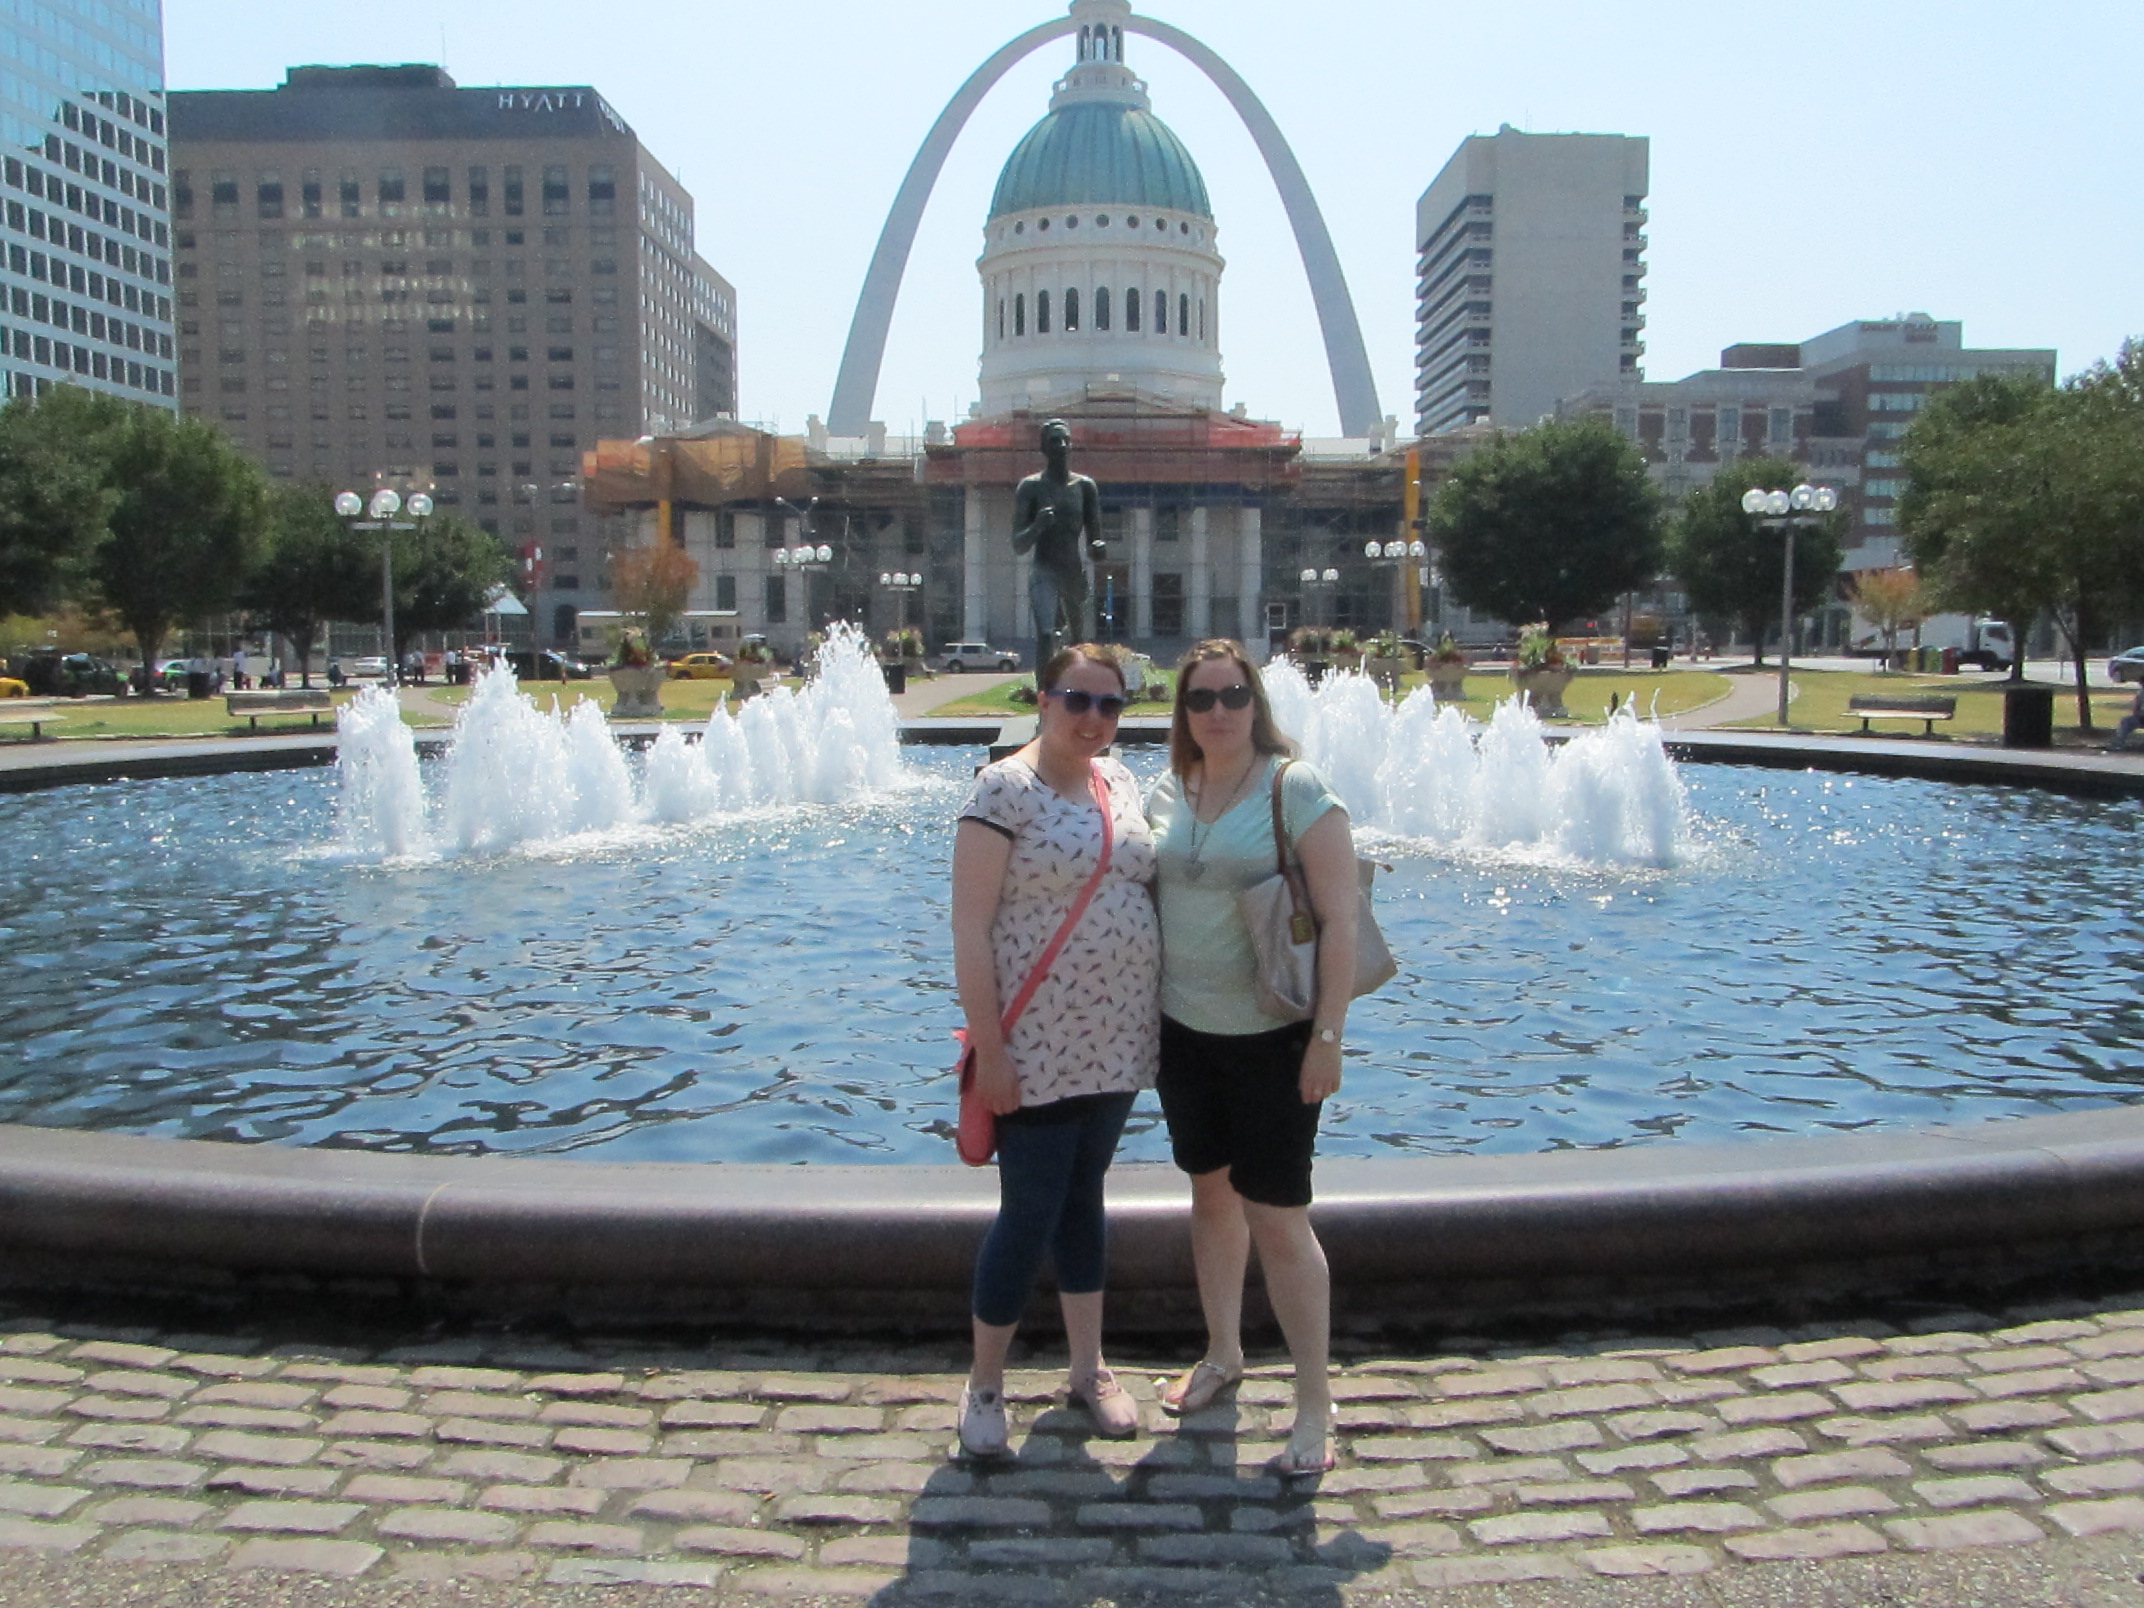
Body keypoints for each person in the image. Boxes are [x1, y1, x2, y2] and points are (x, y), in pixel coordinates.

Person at [1145, 638, 1361, 1479]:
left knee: (1278, 1215)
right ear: (1183, 712)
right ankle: (1224, 1354)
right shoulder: (1169, 789)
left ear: (1255, 703)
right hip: (1183, 1034)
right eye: (1200, 698)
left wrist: (1328, 1038)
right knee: (1210, 1195)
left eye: (1233, 695)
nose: (1218, 712)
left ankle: (1314, 1404)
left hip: (1275, 1039)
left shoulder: (1293, 787)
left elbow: (1340, 921)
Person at [949, 643, 1158, 1458]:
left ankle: (1088, 1368)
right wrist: (991, 1049)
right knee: (1030, 1210)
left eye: (1110, 704)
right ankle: (984, 1383)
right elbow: (971, 928)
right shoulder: (1003, 789)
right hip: (1033, 1040)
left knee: (1083, 1199)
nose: (1093, 718)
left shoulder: (1121, 781)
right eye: (1078, 699)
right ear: (1043, 700)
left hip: (1115, 1036)